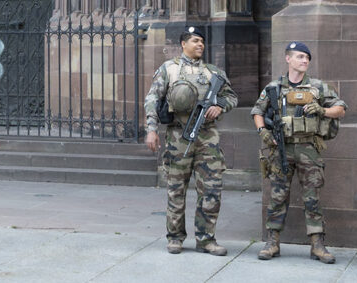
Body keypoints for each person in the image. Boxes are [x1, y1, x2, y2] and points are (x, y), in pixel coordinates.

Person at [144, 26, 237, 255]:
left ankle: (206, 239)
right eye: (195, 41)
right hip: (178, 135)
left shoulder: (213, 73)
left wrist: (219, 106)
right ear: (183, 44)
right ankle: (175, 237)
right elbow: (152, 99)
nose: (200, 45)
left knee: (212, 189)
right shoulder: (169, 69)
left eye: (202, 42)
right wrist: (151, 130)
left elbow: (231, 96)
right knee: (176, 189)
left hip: (208, 138)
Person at [250, 42, 346, 263]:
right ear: (288, 59)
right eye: (300, 57)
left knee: (312, 197)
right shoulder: (274, 88)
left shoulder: (318, 87)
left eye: (307, 58)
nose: (305, 61)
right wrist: (263, 132)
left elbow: (340, 109)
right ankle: (272, 242)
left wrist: (323, 110)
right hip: (280, 149)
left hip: (309, 149)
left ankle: (317, 244)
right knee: (277, 196)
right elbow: (257, 111)